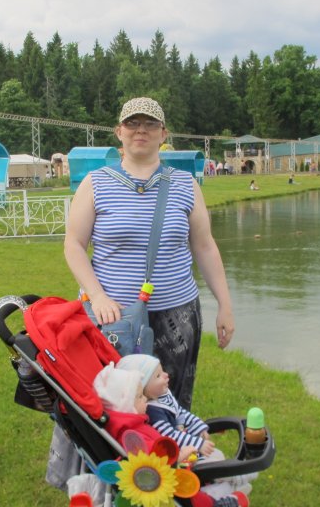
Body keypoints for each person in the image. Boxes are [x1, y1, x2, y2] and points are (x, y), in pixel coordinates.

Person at [64, 96, 235, 409]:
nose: (140, 130)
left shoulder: (185, 185)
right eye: (132, 123)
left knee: (172, 404)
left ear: (163, 134)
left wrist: (225, 305)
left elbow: (205, 246)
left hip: (176, 316)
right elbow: (73, 245)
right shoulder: (95, 183)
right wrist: (98, 296)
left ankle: (171, 441)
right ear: (119, 132)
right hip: (112, 318)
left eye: (150, 124)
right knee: (113, 406)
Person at [93, 363, 247, 507]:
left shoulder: (133, 423)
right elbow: (154, 461)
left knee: (209, 463)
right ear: (126, 406)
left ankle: (225, 483)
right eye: (139, 397)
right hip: (163, 476)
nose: (145, 398)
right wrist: (181, 455)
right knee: (189, 495)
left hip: (172, 465)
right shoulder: (131, 435)